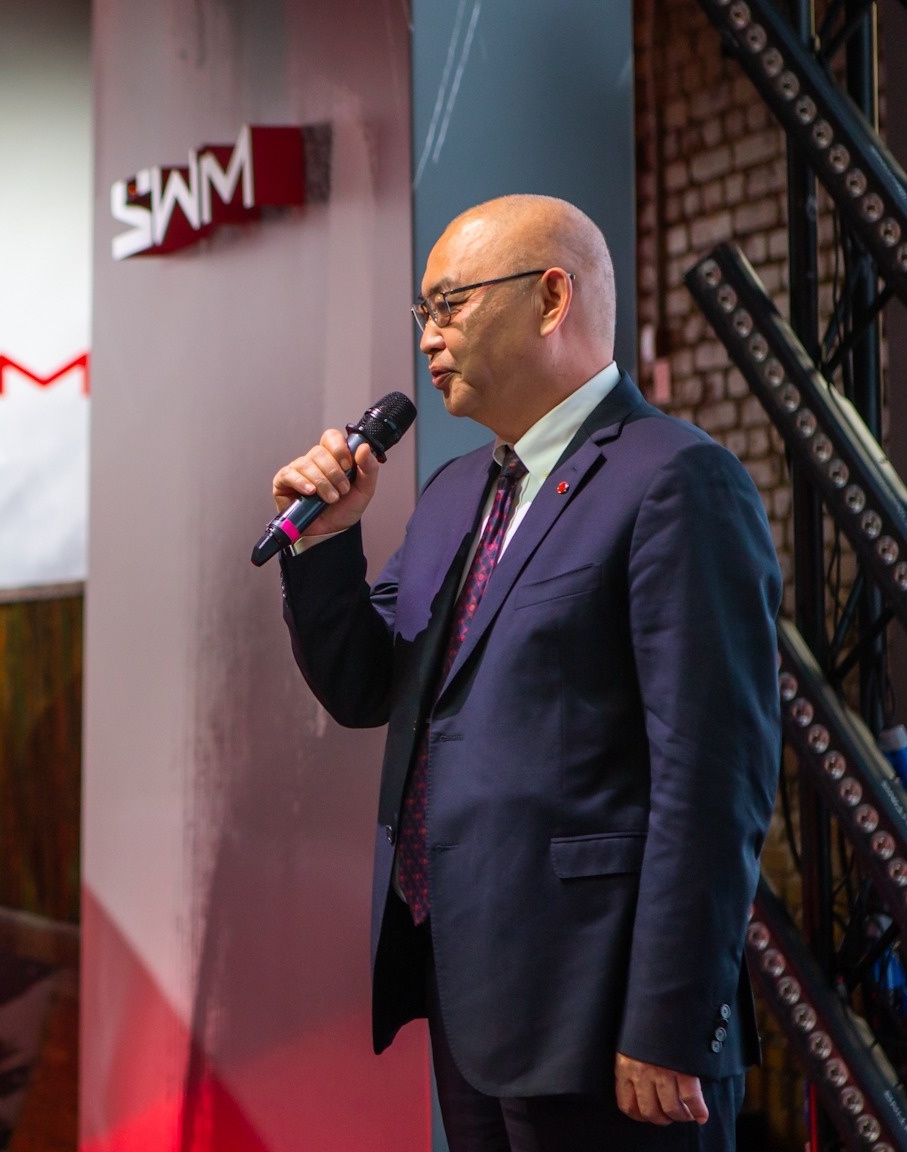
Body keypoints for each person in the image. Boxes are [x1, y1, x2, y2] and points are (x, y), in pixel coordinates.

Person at [272, 195, 779, 1150]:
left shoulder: (676, 479)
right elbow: (368, 687)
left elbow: (714, 780)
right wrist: (326, 544)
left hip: (610, 1017)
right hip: (472, 996)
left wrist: (669, 1019)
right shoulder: (454, 493)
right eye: (422, 311)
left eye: (450, 303)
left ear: (551, 298)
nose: (429, 336)